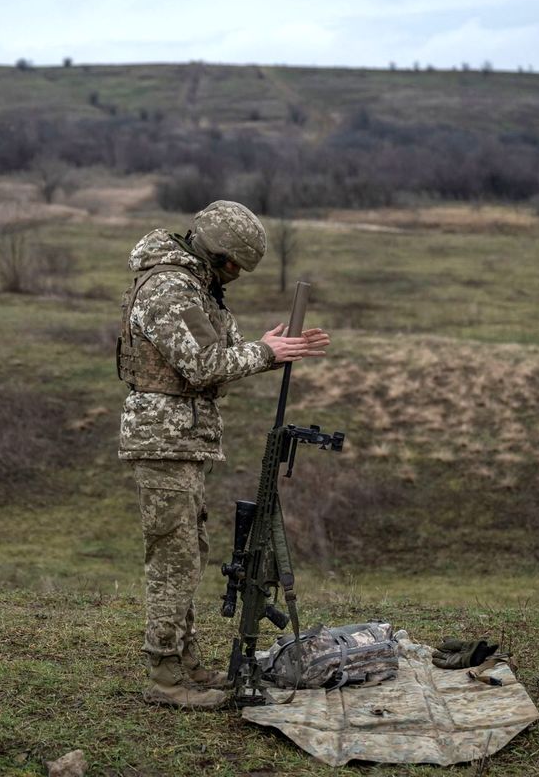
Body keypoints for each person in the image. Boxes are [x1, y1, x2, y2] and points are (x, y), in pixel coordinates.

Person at [117, 200, 331, 709]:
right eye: (234, 265)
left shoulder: (197, 284)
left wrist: (266, 346)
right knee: (172, 559)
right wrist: (265, 354)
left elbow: (222, 352)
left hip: (182, 440)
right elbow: (203, 364)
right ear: (217, 252)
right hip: (163, 439)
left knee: (188, 555)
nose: (235, 276)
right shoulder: (170, 286)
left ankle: (186, 665)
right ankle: (166, 677)